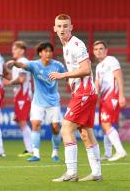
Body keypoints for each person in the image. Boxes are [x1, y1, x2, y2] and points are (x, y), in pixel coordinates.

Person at [49, 14, 102, 182]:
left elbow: (86, 69)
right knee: (85, 132)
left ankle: (71, 172)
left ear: (72, 27)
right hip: (85, 93)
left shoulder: (76, 45)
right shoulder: (66, 46)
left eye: (66, 26)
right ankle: (96, 173)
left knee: (66, 129)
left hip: (84, 94)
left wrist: (62, 75)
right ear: (54, 28)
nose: (62, 29)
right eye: (59, 26)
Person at [7, 42, 65, 162]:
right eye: (45, 51)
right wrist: (14, 63)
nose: (48, 53)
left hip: (53, 102)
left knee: (55, 128)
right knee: (35, 125)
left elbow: (67, 76)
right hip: (38, 102)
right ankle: (36, 154)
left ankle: (55, 152)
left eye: (50, 51)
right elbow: (22, 65)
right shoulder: (34, 65)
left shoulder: (58, 65)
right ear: (40, 53)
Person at [93, 40, 127, 161]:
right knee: (105, 125)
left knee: (106, 124)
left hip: (112, 95)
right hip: (104, 97)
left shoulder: (111, 60)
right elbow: (97, 85)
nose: (99, 51)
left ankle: (120, 151)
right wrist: (93, 99)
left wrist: (121, 95)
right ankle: (108, 153)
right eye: (96, 49)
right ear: (93, 52)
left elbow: (119, 77)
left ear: (106, 50)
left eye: (101, 48)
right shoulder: (98, 67)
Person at [5, 41, 33, 157]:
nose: (13, 51)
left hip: (24, 94)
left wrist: (9, 82)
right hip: (19, 94)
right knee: (21, 122)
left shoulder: (23, 62)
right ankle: (29, 148)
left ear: (22, 50)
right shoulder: (18, 63)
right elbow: (16, 78)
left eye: (15, 49)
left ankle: (30, 149)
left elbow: (21, 79)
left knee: (22, 121)